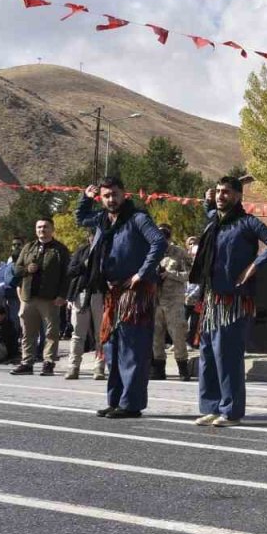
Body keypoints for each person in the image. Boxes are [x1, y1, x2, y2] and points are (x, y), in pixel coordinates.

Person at [190, 177, 267, 428]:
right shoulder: (215, 221)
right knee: (208, 354)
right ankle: (211, 406)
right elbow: (209, 208)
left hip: (234, 300)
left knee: (227, 355)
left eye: (226, 192)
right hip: (210, 298)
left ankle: (231, 411)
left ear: (238, 196)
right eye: (219, 192)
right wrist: (205, 198)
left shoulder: (248, 222)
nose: (221, 196)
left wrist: (253, 268)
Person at [76, 176, 168, 419]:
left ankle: (131, 404)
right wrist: (85, 198)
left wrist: (142, 273)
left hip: (135, 294)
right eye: (106, 196)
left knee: (132, 348)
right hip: (112, 292)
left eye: (114, 194)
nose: (110, 199)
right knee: (113, 348)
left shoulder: (138, 218)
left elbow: (159, 242)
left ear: (123, 194)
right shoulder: (102, 219)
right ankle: (115, 400)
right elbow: (80, 218)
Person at [10, 219, 71, 376]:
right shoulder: (28, 247)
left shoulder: (60, 250)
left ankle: (48, 363)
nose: (42, 229)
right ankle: (27, 362)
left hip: (50, 298)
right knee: (28, 332)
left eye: (45, 227)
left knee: (51, 332)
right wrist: (26, 269)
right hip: (29, 296)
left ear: (52, 229)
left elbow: (67, 275)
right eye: (39, 227)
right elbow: (16, 270)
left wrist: (63, 295)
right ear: (35, 230)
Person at [152, 224, 193, 381]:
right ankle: (158, 369)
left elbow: (190, 274)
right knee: (156, 336)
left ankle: (183, 368)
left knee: (178, 335)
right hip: (155, 299)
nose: (162, 238)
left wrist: (170, 274)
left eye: (165, 235)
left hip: (173, 300)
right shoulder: (152, 252)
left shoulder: (179, 253)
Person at [64, 240, 105, 380]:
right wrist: (84, 265)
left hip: (100, 294)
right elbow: (70, 270)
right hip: (81, 294)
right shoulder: (81, 251)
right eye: (93, 235)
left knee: (101, 335)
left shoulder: (107, 251)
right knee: (77, 333)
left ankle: (99, 367)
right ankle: (73, 367)